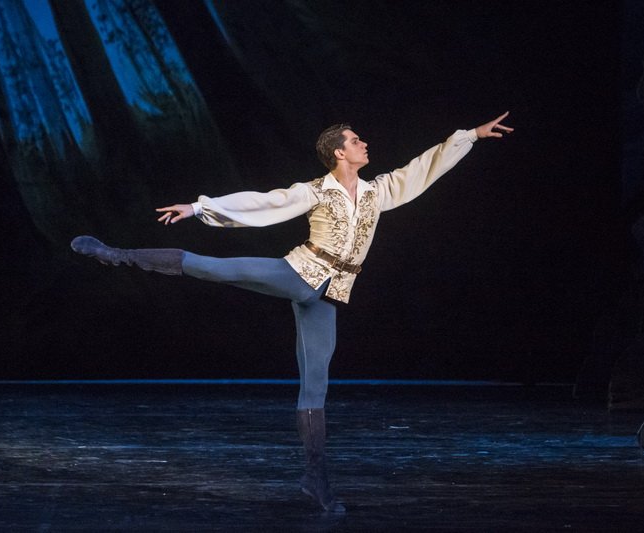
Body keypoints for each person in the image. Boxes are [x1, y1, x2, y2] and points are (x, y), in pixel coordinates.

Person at [71, 112, 513, 513]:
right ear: (339, 152)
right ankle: (118, 255)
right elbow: (264, 202)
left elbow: (420, 170)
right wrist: (200, 207)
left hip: (329, 294)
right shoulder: (315, 190)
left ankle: (315, 478)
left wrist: (470, 136)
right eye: (355, 140)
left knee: (315, 387)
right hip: (297, 273)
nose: (364, 144)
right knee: (215, 268)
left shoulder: (377, 192)